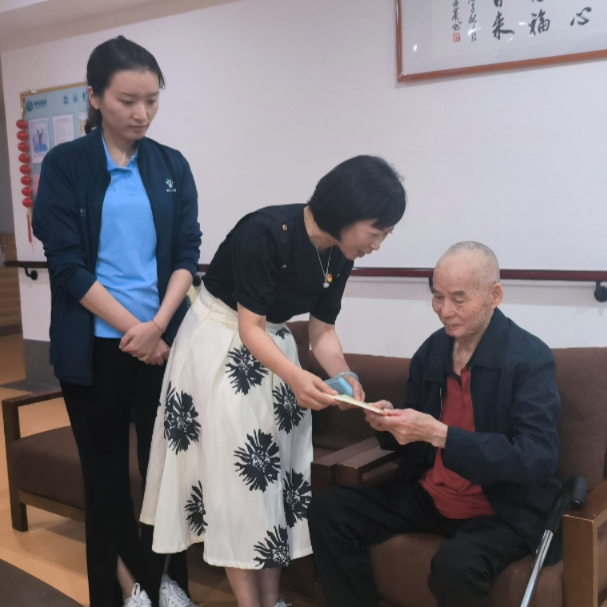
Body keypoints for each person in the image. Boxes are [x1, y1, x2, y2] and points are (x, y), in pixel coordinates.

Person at [140, 156, 407, 607]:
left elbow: (322, 331)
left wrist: (343, 375)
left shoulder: (339, 254)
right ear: (347, 211)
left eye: (386, 234)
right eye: (376, 231)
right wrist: (298, 377)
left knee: (273, 478)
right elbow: (249, 329)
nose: (378, 245)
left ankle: (270, 599)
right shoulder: (266, 232)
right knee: (236, 480)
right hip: (220, 343)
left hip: (273, 350)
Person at [32, 36, 202, 607]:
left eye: (151, 100)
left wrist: (159, 325)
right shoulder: (66, 165)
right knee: (105, 480)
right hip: (96, 349)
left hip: (162, 343)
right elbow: (67, 268)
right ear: (95, 96)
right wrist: (137, 331)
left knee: (165, 476)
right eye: (128, 100)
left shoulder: (171, 164)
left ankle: (167, 585)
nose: (142, 113)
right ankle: (128, 589)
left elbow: (187, 252)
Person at [308, 241, 562, 607]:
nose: (444, 311)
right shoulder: (433, 351)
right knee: (329, 510)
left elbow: (537, 457)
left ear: (494, 295)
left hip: (499, 509)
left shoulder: (528, 360)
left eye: (458, 299)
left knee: (455, 566)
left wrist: (440, 435)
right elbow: (417, 432)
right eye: (437, 297)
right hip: (430, 496)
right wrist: (390, 422)